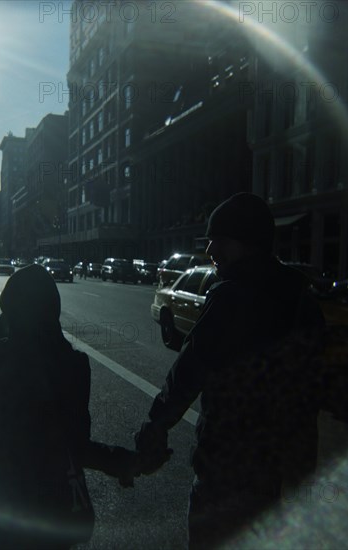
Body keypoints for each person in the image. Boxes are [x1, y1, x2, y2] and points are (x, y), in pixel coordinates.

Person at [134, 193, 325, 549]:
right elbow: (312, 390)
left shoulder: (232, 298)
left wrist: (155, 425)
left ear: (247, 243)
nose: (210, 250)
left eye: (218, 240)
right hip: (275, 472)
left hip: (226, 469)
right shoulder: (302, 300)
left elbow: (189, 371)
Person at [0, 264, 140, 549]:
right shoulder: (74, 365)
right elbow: (75, 443)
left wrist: (2, 328)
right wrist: (119, 460)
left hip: (4, 501)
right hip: (58, 503)